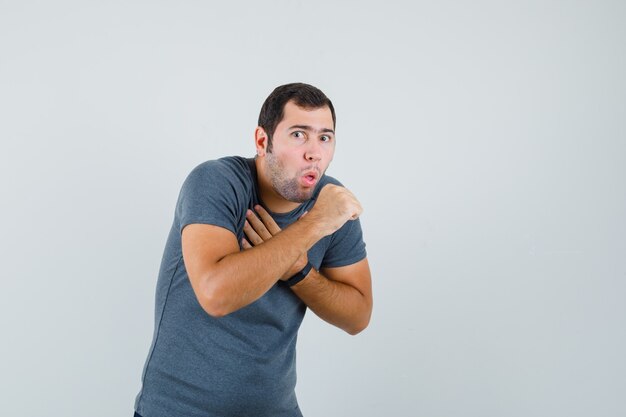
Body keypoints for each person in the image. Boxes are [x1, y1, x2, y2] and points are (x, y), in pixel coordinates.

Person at [133, 82, 373, 417]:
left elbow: (358, 315)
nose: (314, 152)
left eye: (325, 137)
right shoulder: (217, 182)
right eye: (299, 134)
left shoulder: (331, 203)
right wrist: (314, 224)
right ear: (263, 141)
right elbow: (216, 295)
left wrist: (299, 271)